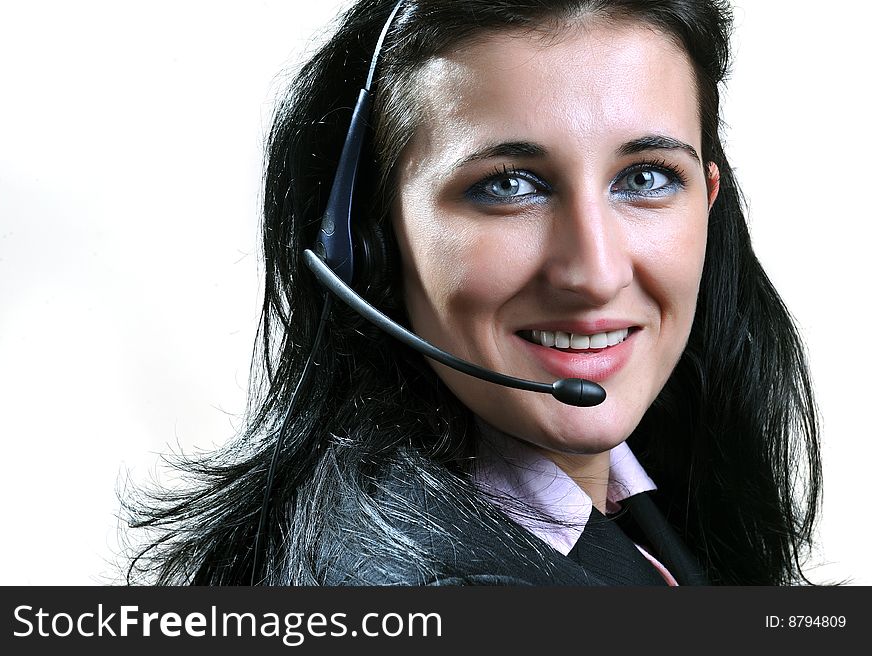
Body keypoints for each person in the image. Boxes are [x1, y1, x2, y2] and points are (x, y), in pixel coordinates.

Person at [123, 0, 821, 586]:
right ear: (371, 236)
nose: (596, 272)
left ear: (708, 198)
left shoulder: (650, 504)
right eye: (509, 185)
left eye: (644, 177)